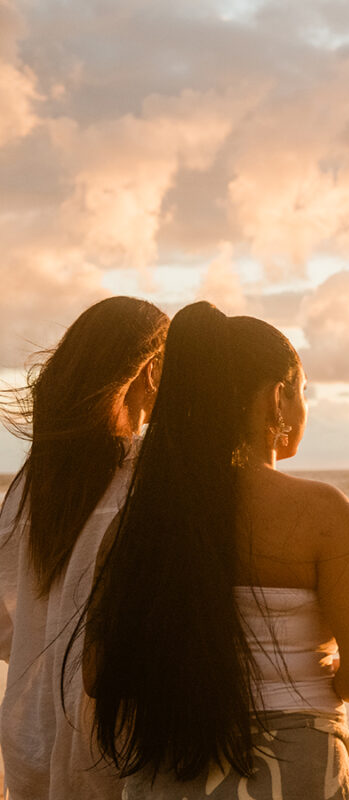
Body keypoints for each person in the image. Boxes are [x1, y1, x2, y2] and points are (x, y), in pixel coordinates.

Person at [81, 301, 349, 800]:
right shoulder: (320, 512)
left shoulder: (137, 523)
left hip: (169, 765)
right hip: (297, 771)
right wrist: (330, 676)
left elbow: (99, 676)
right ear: (277, 399)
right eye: (303, 392)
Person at [0, 296, 168, 800]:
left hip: (27, 738)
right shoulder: (145, 476)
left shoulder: (33, 481)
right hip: (111, 746)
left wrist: (42, 647)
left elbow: (2, 621)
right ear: (152, 371)